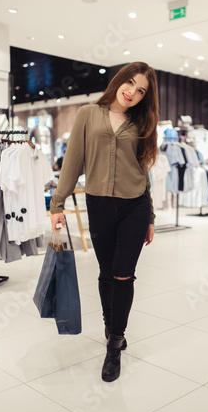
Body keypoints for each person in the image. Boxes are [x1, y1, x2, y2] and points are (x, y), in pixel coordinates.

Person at [50, 61, 159, 382]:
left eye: (141, 91)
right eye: (130, 84)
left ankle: (114, 344)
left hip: (134, 207)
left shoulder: (141, 123)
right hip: (98, 205)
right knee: (106, 273)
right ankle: (111, 327)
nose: (133, 93)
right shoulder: (88, 114)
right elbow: (73, 163)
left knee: (124, 275)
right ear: (119, 81)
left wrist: (150, 215)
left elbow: (143, 171)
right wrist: (58, 203)